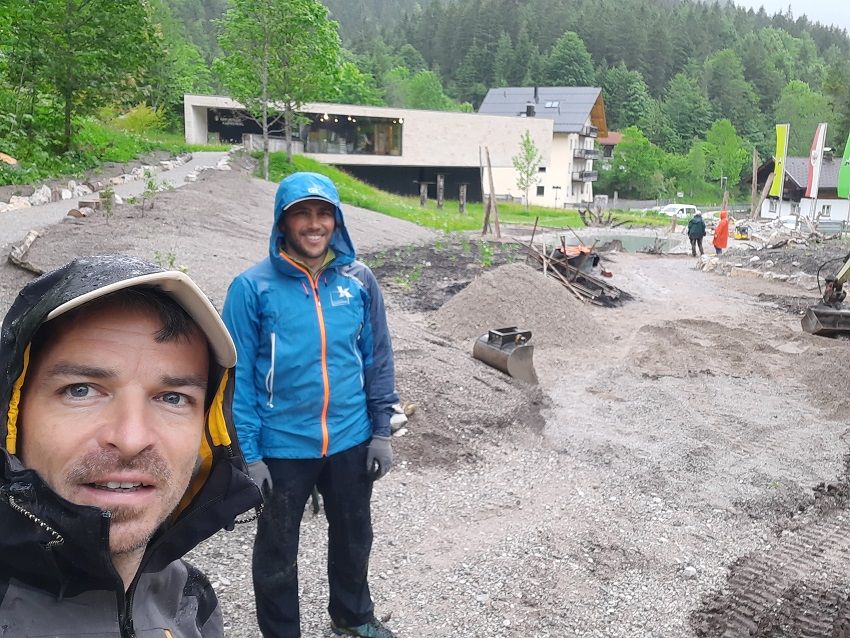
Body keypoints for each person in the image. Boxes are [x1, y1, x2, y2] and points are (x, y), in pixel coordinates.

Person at [0, 254, 263, 636]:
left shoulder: (191, 602)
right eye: (81, 390)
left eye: (172, 397)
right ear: (13, 414)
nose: (131, 439)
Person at [223, 172, 398, 638]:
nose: (314, 223)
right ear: (283, 222)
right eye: (302, 213)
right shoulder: (251, 287)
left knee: (355, 536)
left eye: (324, 213)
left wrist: (381, 430)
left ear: (337, 221)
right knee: (278, 549)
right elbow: (235, 379)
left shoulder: (359, 281)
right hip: (283, 446)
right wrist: (250, 454)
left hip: (350, 437)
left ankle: (353, 615)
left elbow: (377, 357)